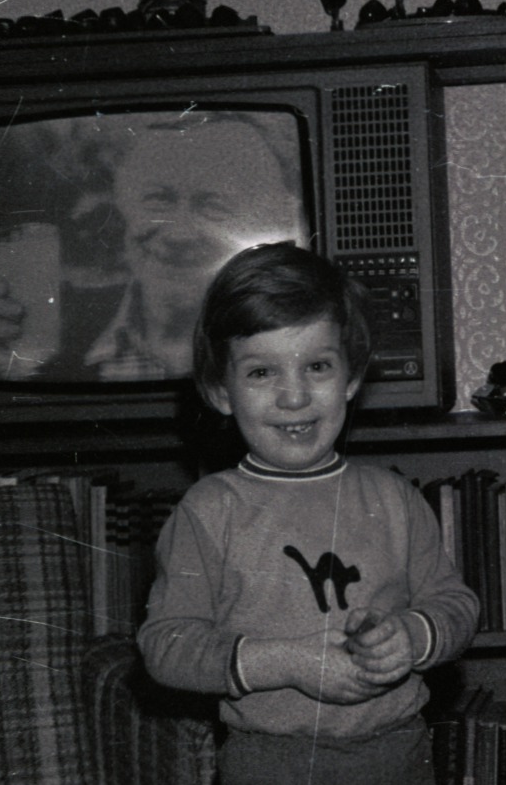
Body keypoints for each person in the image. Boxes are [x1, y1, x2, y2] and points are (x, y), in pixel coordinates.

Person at [137, 242, 479, 785]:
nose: (294, 396)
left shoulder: (394, 498)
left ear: (350, 379)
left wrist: (412, 636)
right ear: (220, 391)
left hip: (398, 755)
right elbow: (167, 646)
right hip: (269, 762)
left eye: (317, 366)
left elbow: (457, 605)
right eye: (261, 373)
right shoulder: (207, 511)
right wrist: (290, 663)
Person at [0, 112, 306, 382]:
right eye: (158, 200)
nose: (179, 235)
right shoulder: (55, 324)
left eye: (213, 206)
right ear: (122, 203)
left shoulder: (297, 337)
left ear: (270, 220)